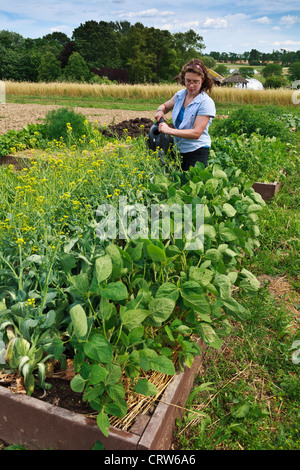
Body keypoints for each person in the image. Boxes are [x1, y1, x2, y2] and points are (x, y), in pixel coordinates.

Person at [155, 59, 216, 170]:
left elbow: (196, 133)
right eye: (188, 81)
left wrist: (169, 130)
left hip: (196, 151)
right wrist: (160, 111)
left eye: (195, 81)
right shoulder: (180, 95)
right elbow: (164, 106)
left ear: (202, 80)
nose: (191, 85)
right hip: (178, 149)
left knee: (192, 185)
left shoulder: (205, 102)